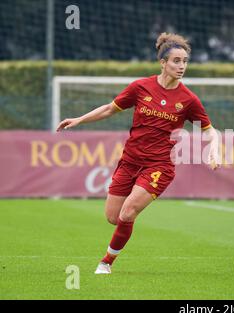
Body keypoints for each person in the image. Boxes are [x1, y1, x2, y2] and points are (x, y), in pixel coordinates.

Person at [56, 32, 219, 274]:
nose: (182, 66)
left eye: (185, 61)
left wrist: (213, 151)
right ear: (163, 62)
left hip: (160, 166)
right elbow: (110, 109)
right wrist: (80, 119)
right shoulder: (140, 87)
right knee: (114, 217)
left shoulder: (188, 100)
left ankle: (106, 263)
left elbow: (210, 130)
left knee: (128, 211)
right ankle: (125, 227)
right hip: (130, 161)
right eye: (176, 60)